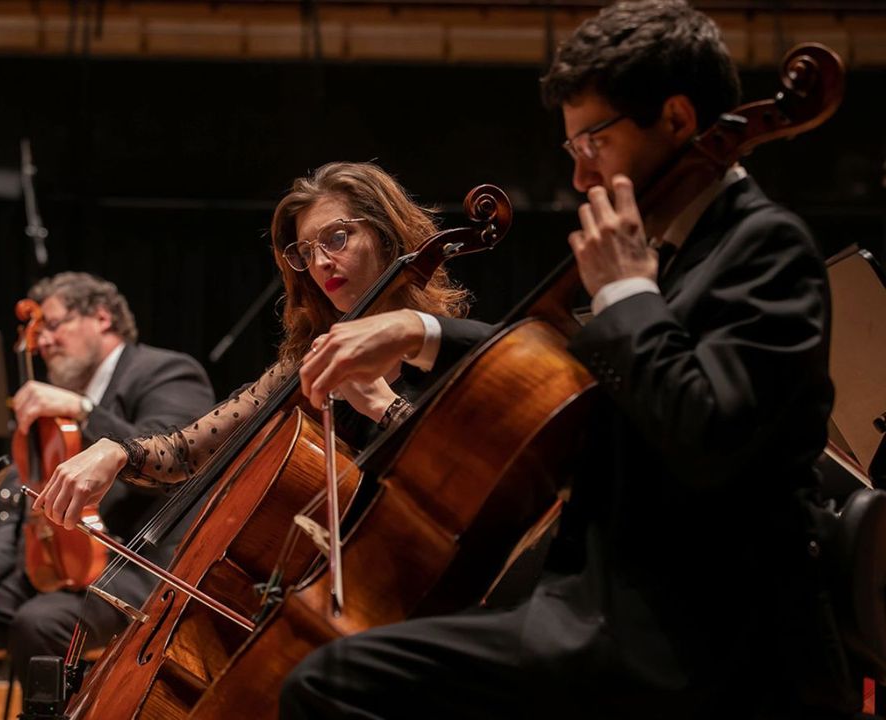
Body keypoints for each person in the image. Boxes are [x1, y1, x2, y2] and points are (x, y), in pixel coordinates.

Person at [279, 2, 855, 718]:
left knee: (333, 688)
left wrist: (624, 290)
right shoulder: (665, 254)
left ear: (676, 119)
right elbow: (560, 364)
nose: (582, 179)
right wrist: (414, 330)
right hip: (592, 611)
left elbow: (710, 436)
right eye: (574, 151)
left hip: (698, 634)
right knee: (332, 669)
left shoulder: (766, 249)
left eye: (594, 144)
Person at [34, 161, 479, 529]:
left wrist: (386, 408)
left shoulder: (446, 352)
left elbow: (472, 484)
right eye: (306, 250)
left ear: (385, 234)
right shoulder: (307, 365)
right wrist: (115, 450)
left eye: (337, 238)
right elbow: (185, 453)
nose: (321, 262)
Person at [0, 272, 216, 718]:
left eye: (53, 325)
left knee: (41, 624)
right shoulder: (53, 401)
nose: (41, 341)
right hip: (44, 566)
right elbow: (25, 498)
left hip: (130, 564)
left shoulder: (166, 371)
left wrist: (84, 410)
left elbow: (172, 457)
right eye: (38, 331)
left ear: (102, 318)